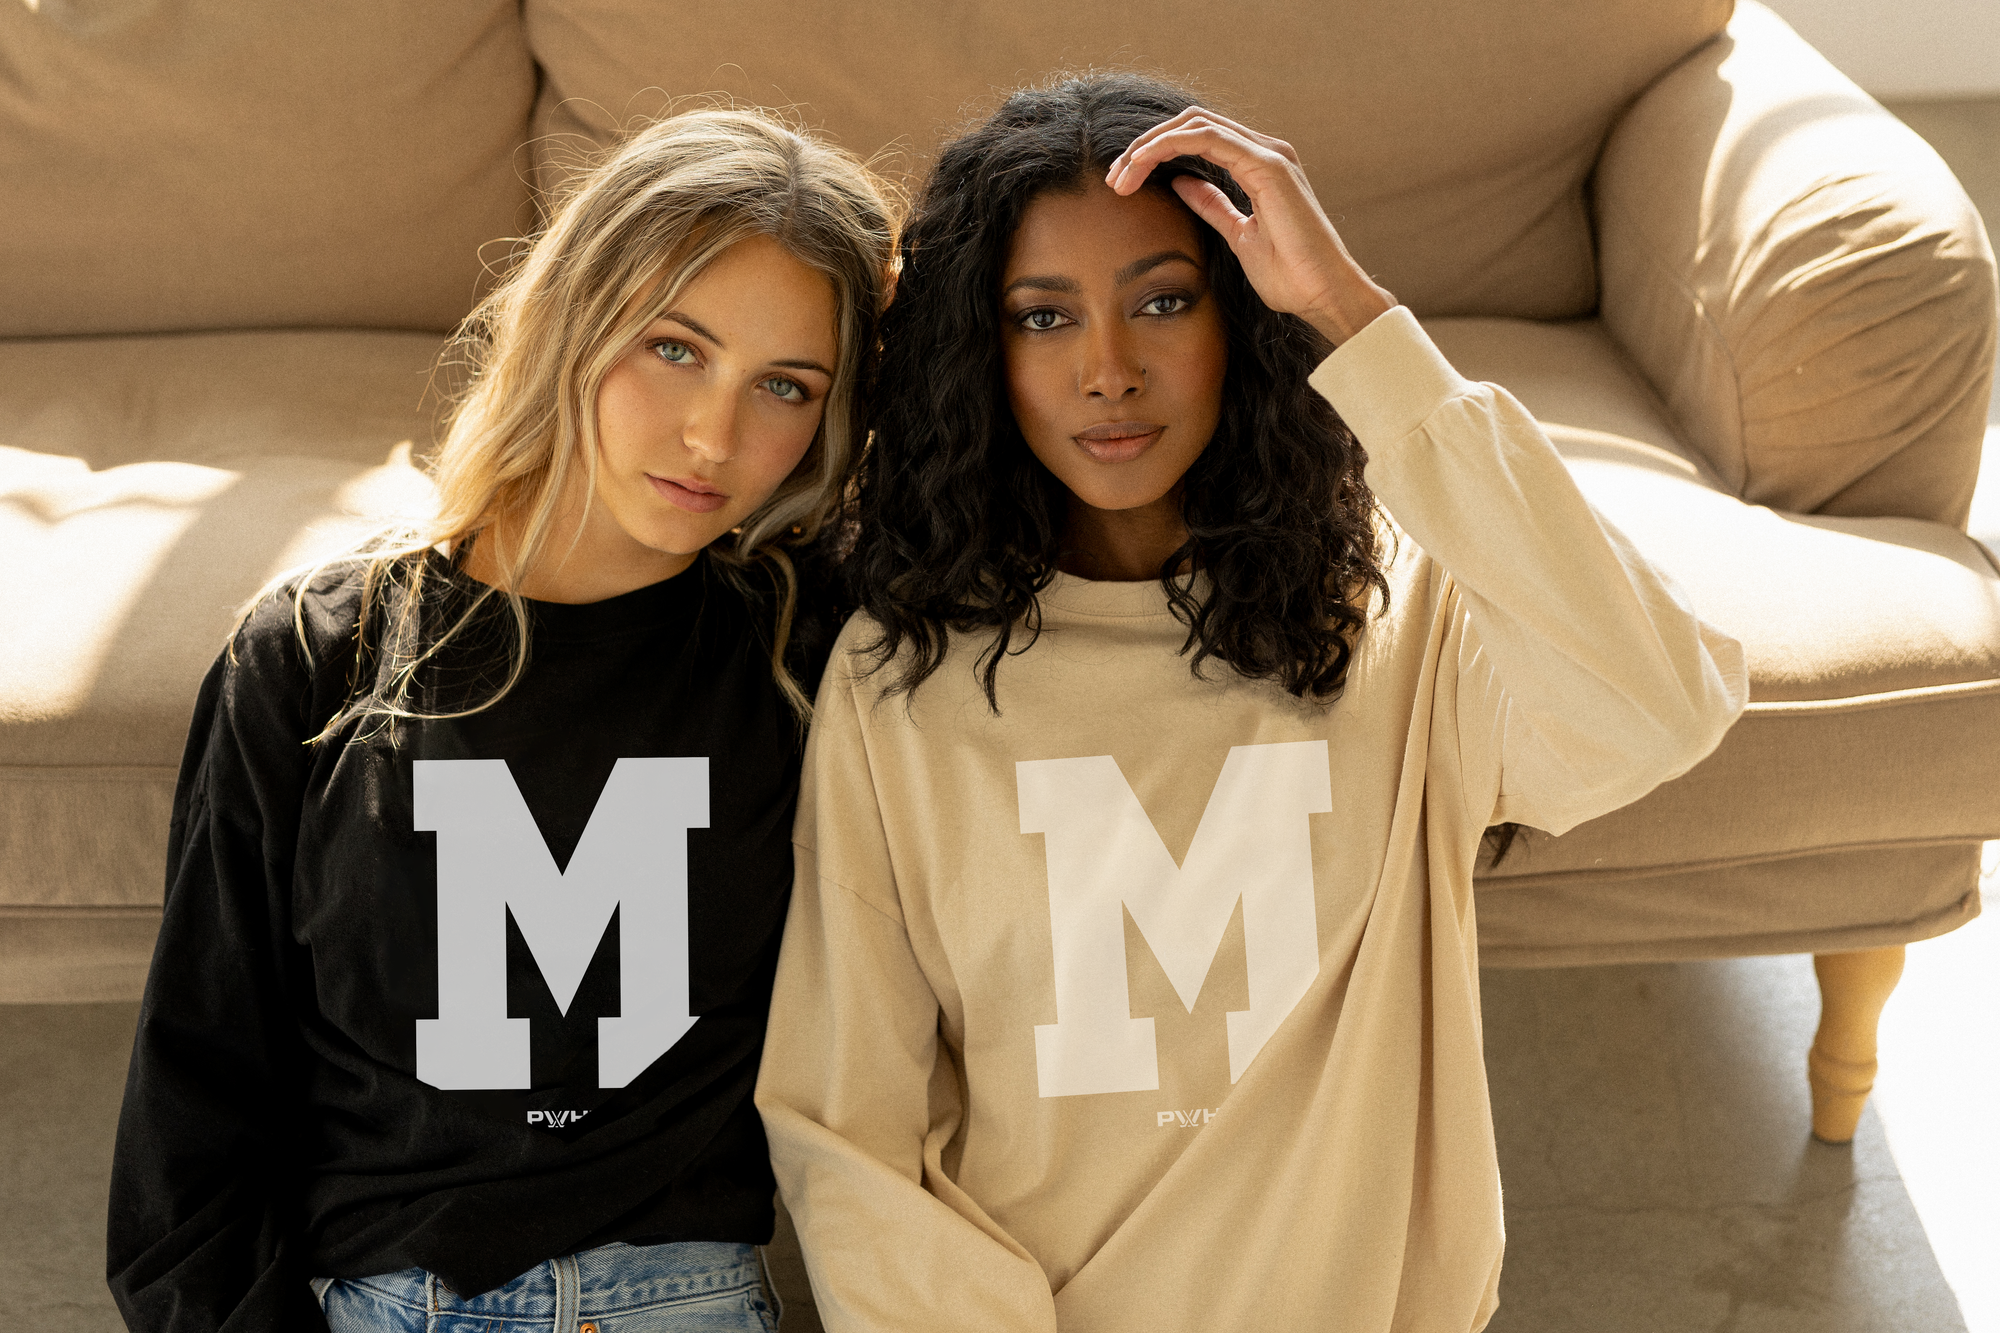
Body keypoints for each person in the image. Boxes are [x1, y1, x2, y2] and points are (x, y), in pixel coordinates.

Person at [754, 74, 1747, 1331]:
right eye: (1040, 317)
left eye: (1163, 301)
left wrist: (1353, 313)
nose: (1107, 370)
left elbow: (1659, 703)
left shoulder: (1403, 615)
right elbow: (845, 1126)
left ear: (1244, 318)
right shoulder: (901, 677)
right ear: (978, 353)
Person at [105, 108, 897, 1332]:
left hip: (678, 1296)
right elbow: (194, 1105)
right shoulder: (317, 656)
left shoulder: (810, 644)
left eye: (784, 385)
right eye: (672, 348)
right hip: (379, 1299)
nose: (714, 436)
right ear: (571, 317)